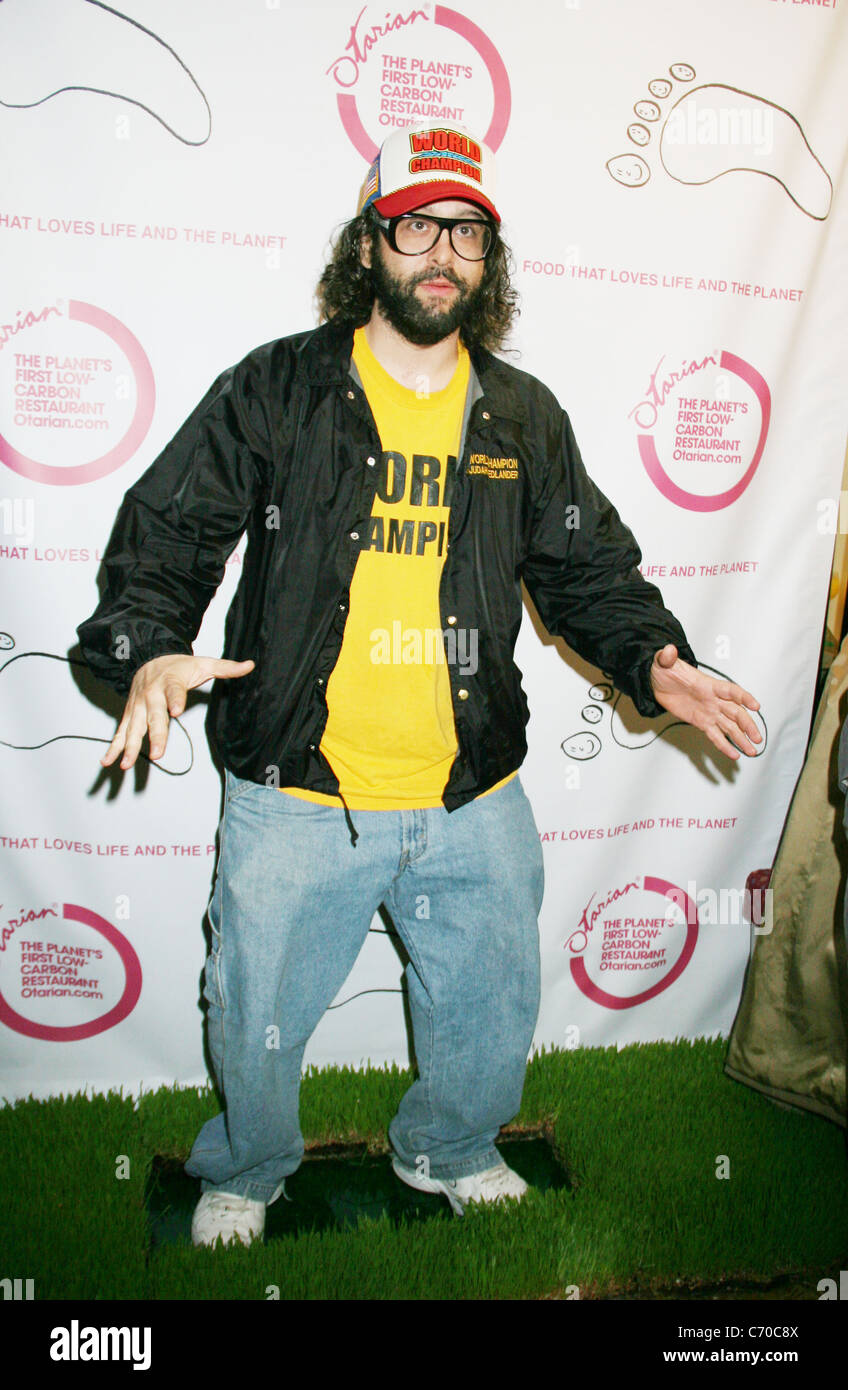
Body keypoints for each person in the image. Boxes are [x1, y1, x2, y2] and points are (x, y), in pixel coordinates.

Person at [77, 121, 762, 1246]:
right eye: (415, 227)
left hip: (470, 787)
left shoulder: (522, 414)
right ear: (368, 244)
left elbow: (587, 564)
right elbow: (166, 534)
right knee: (255, 1013)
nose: (440, 251)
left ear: (487, 262)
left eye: (466, 232)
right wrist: (146, 644)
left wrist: (651, 659)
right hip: (298, 783)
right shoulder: (276, 390)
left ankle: (447, 1145)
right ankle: (246, 1167)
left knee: (488, 1009)